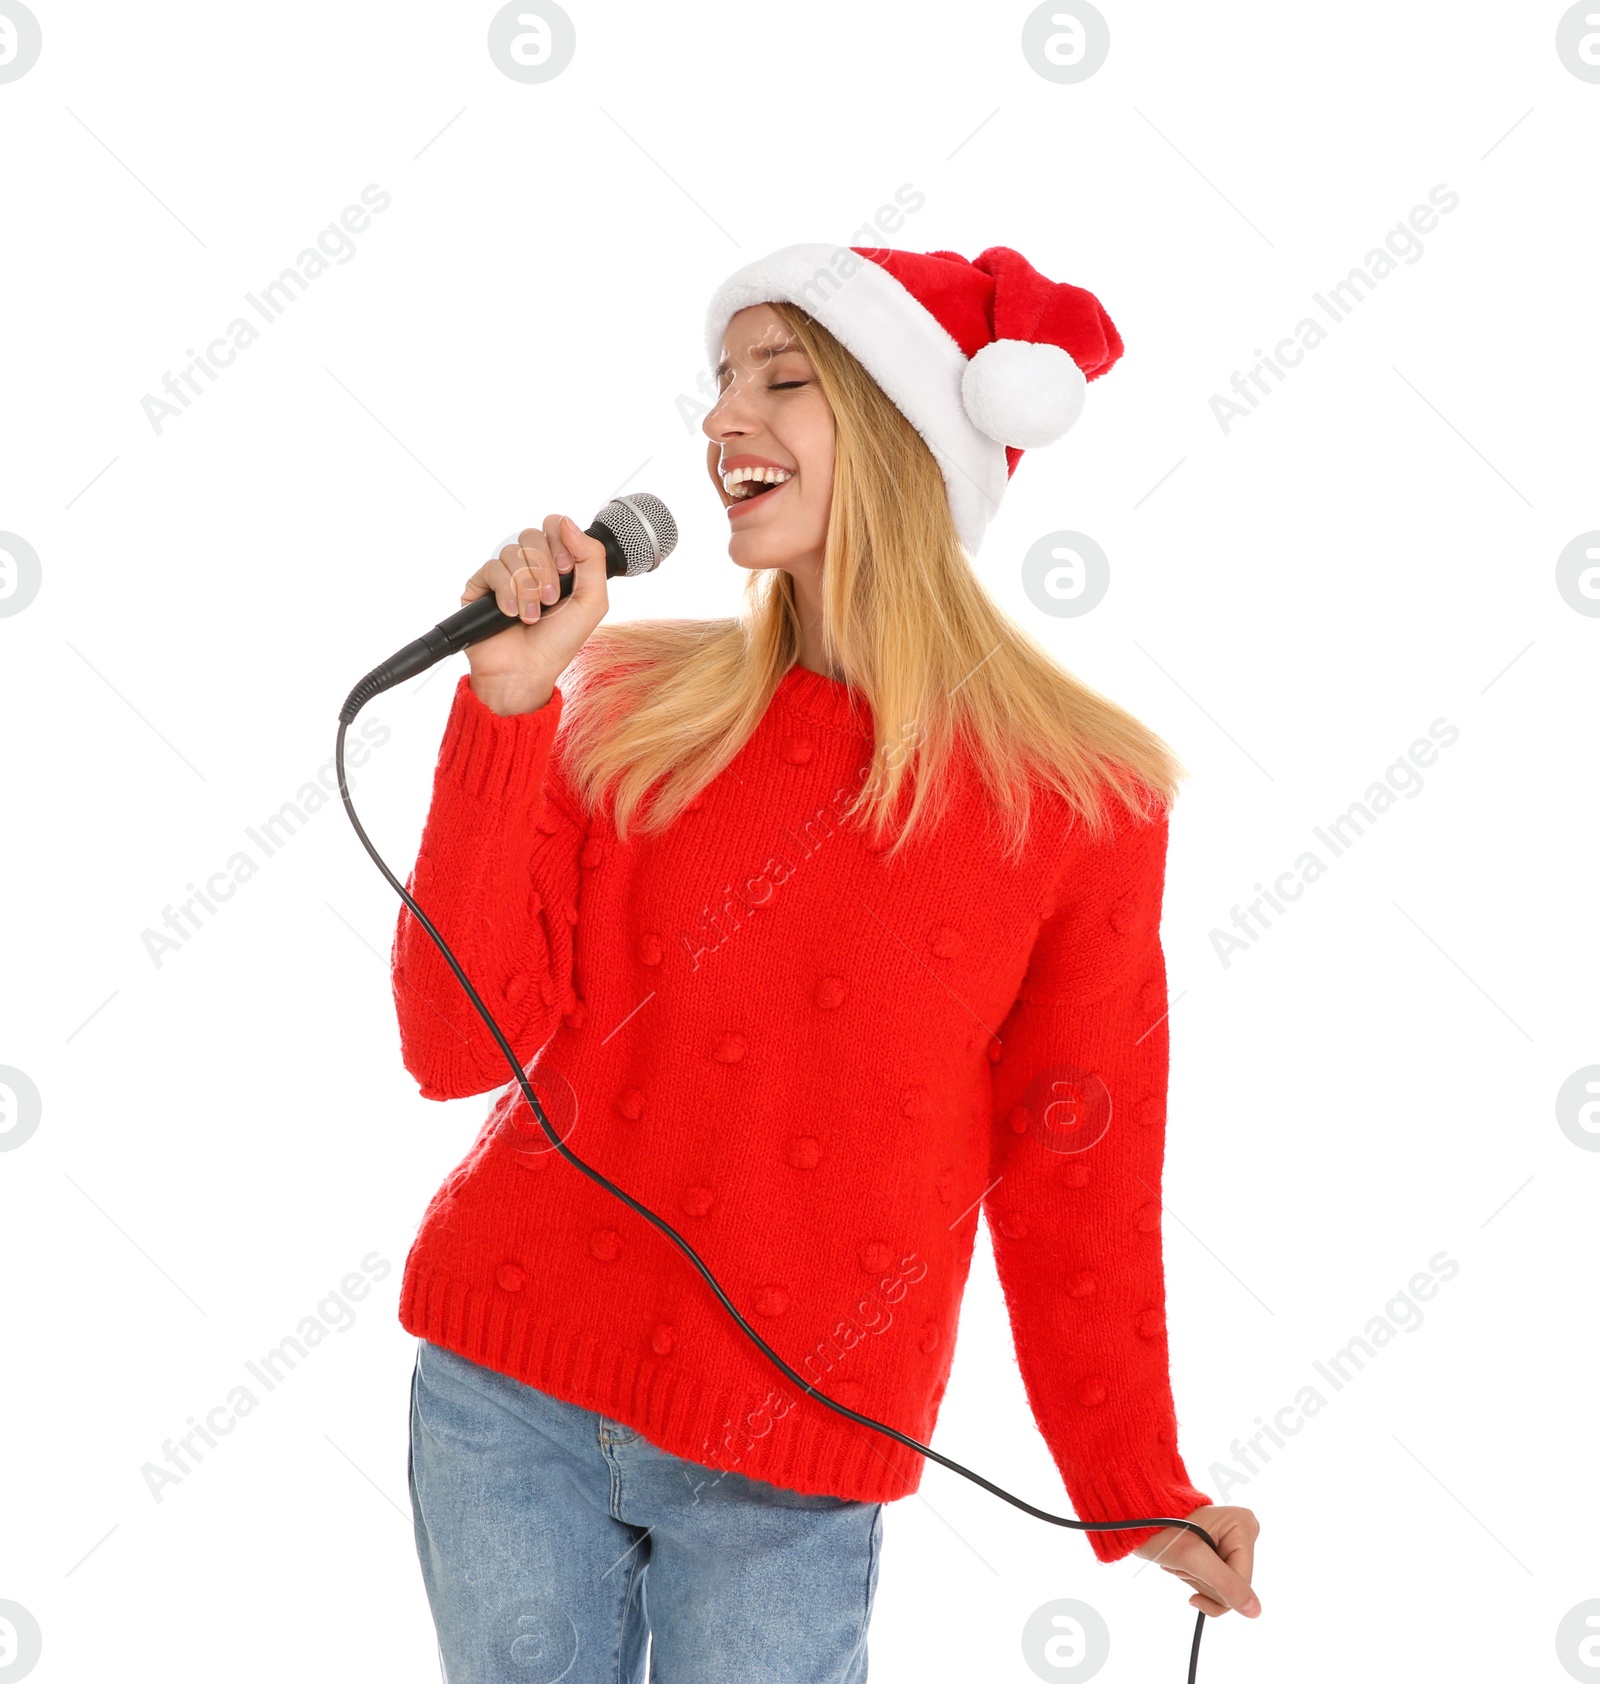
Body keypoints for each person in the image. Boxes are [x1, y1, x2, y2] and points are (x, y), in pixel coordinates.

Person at [392, 243, 1261, 1683]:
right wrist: (502, 716)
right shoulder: (622, 697)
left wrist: (1133, 1485)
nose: (727, 417)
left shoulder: (1078, 801)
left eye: (784, 379)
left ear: (915, 436)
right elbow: (454, 1050)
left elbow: (1077, 1169)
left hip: (792, 1458)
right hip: (508, 1394)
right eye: (724, 381)